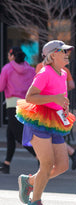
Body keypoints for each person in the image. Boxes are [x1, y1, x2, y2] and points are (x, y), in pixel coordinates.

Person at [16, 40, 76, 205]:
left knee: (63, 165)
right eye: (63, 51)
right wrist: (54, 98)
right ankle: (36, 200)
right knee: (47, 163)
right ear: (53, 55)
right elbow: (30, 97)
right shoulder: (44, 72)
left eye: (67, 51)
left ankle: (30, 182)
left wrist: (64, 105)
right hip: (38, 120)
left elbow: (60, 96)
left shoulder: (63, 73)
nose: (66, 54)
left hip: (56, 120)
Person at [36, 61, 76, 170]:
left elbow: (38, 87)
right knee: (52, 134)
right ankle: (72, 153)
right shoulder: (64, 70)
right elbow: (72, 85)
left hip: (46, 106)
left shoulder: (40, 67)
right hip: (60, 105)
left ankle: (44, 165)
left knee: (43, 135)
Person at [0, 46, 37, 174]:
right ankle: (6, 164)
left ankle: (40, 156)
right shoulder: (31, 70)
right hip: (27, 104)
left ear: (12, 56)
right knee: (10, 134)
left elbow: (1, 86)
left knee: (19, 135)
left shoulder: (7, 68)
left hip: (12, 105)